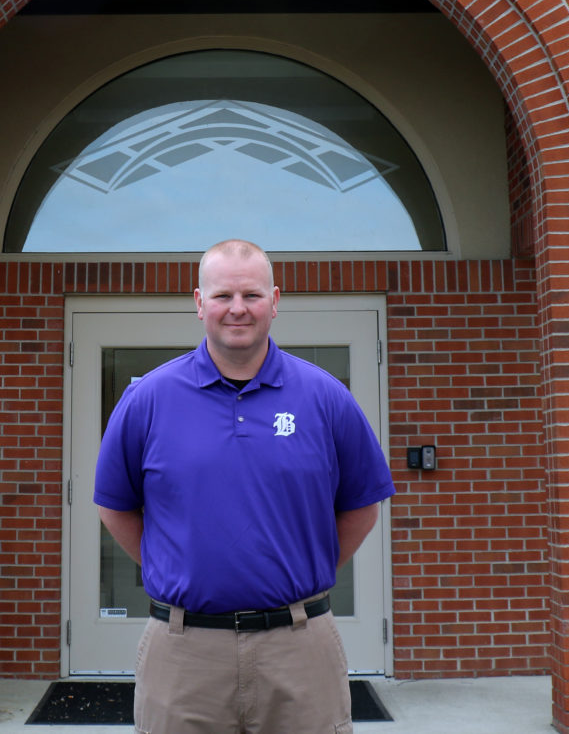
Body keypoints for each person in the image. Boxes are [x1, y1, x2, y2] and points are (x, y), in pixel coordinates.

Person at [94, 238, 395, 734]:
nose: (238, 309)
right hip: (183, 653)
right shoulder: (148, 399)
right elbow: (115, 506)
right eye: (222, 296)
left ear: (275, 301)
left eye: (252, 295)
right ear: (198, 303)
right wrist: (178, 567)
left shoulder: (326, 398)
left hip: (299, 649)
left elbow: (362, 506)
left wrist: (299, 565)